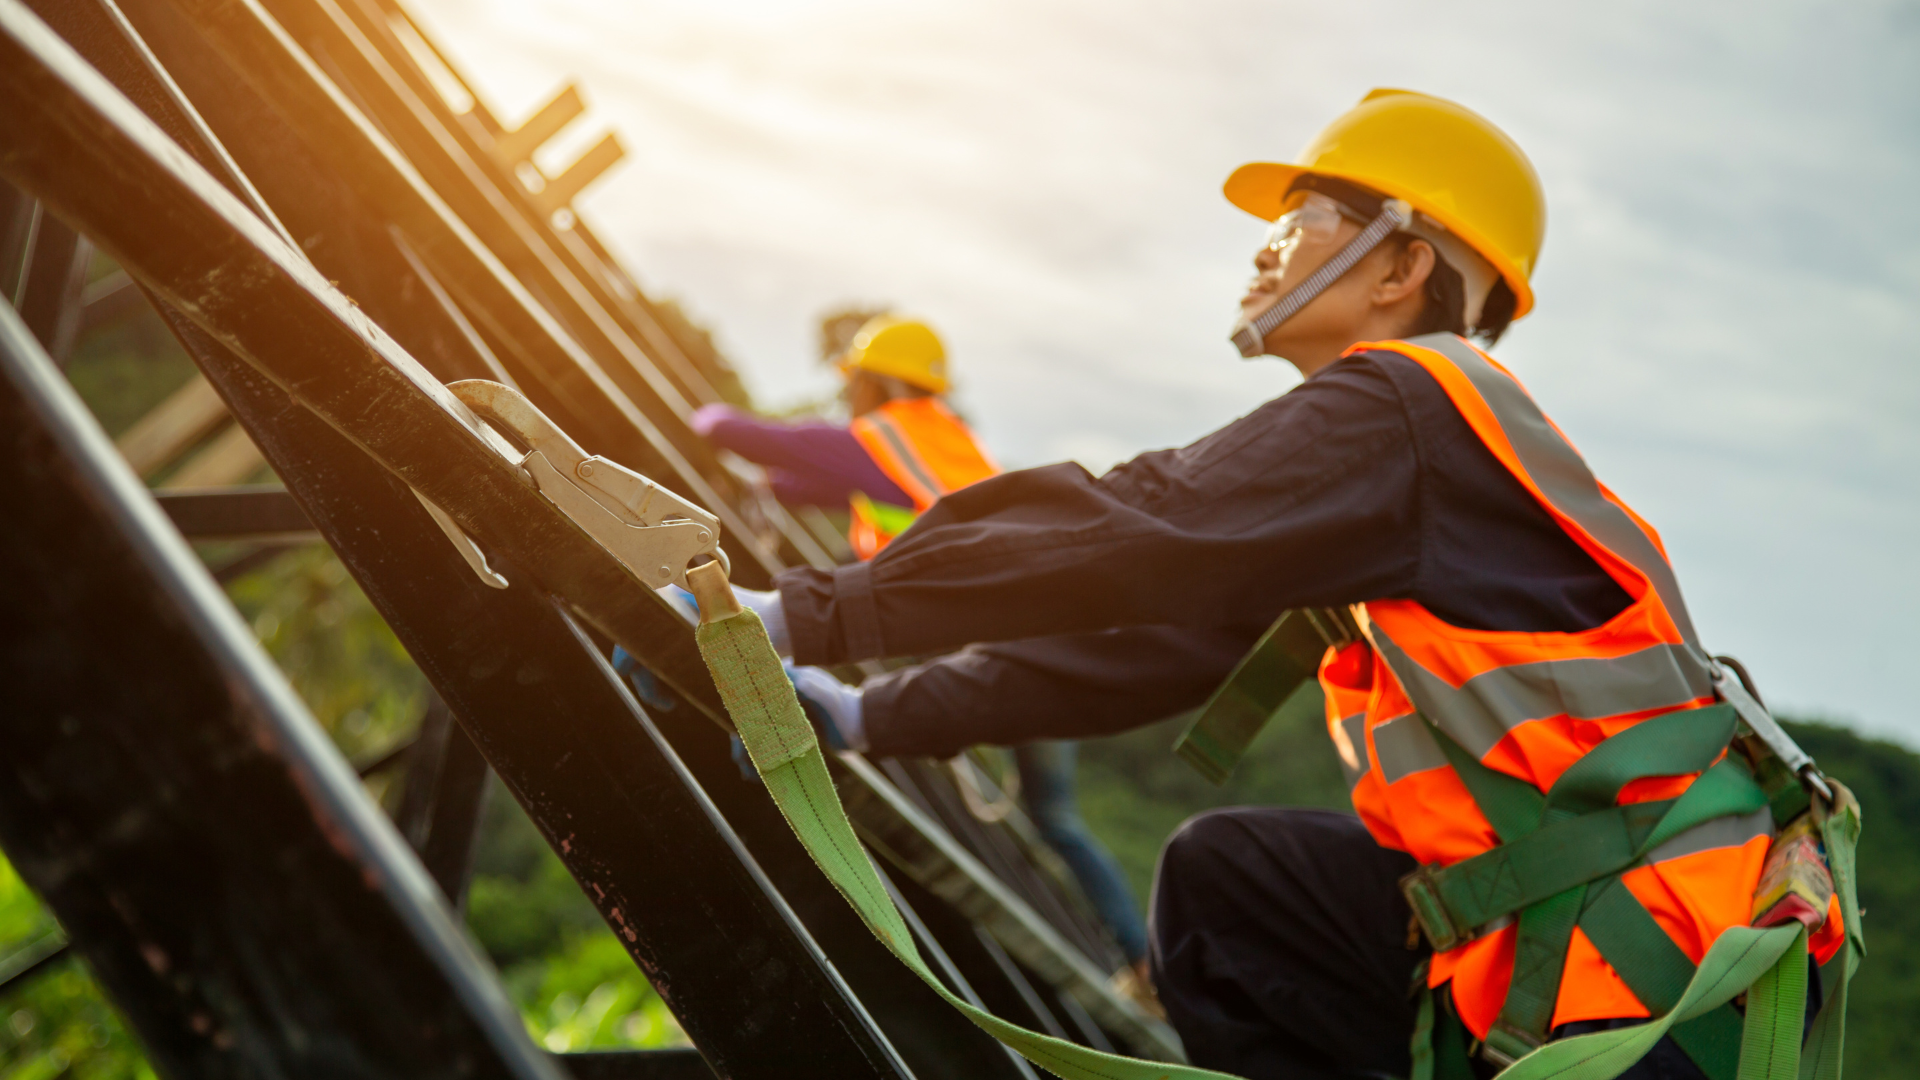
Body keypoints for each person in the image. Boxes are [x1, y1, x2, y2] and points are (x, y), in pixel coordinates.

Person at [760, 90, 1847, 1079]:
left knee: (1232, 887)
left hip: (1649, 992)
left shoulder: (1406, 408)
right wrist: (865, 713)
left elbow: (1131, 528)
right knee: (1232, 884)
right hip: (1595, 956)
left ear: (1396, 266)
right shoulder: (1409, 472)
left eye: (1300, 222)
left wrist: (794, 620)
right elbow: (1151, 645)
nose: (1265, 257)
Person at [686, 313, 1154, 987]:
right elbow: (844, 489)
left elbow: (726, 431)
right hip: (1051, 632)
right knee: (1056, 819)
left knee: (863, 703)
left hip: (1002, 643)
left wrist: (719, 434)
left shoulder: (882, 439)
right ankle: (1144, 968)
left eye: (853, 384)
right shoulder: (947, 444)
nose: (848, 397)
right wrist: (771, 491)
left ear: (874, 384)